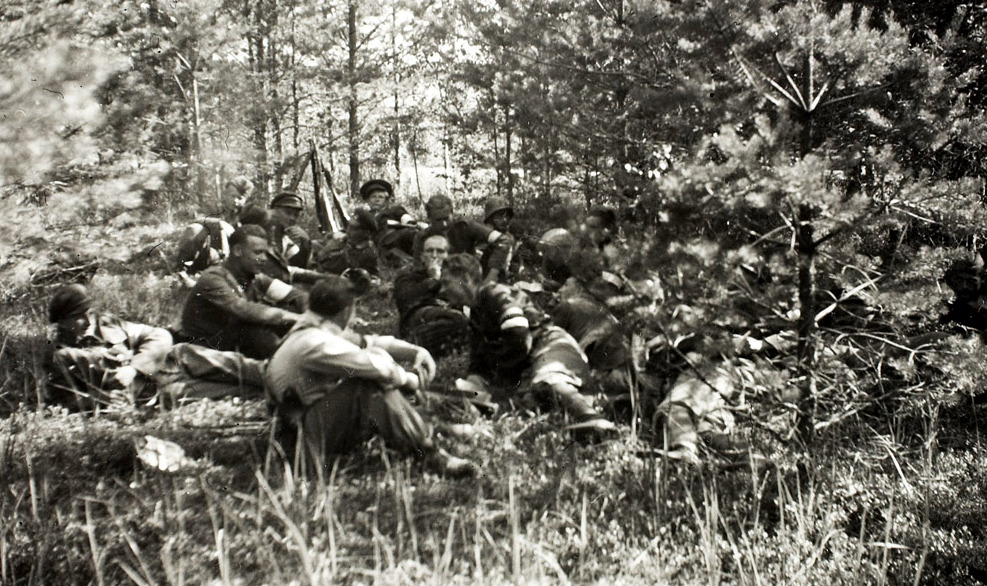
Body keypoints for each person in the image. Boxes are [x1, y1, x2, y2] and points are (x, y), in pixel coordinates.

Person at [265, 276, 477, 477]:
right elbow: (378, 367)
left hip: (306, 425)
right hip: (302, 440)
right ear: (346, 311)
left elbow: (368, 341)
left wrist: (414, 352)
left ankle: (431, 427)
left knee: (376, 381)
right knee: (366, 387)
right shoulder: (314, 341)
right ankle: (429, 454)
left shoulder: (312, 329)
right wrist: (409, 379)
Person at [439, 253, 615, 434]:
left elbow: (519, 336)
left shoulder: (492, 293)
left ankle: (592, 418)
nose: (442, 290)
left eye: (446, 282)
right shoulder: (476, 315)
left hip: (549, 344)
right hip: (531, 361)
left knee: (549, 381)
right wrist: (470, 388)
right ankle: (602, 407)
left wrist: (502, 377)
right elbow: (479, 365)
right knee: (528, 403)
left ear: (466, 278)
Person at [46, 284, 265, 411]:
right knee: (235, 390)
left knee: (232, 364)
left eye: (90, 313)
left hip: (170, 361)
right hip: (155, 391)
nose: (87, 321)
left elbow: (159, 335)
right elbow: (63, 399)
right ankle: (276, 389)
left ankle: (272, 372)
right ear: (62, 322)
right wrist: (102, 400)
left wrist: (134, 368)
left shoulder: (109, 324)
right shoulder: (61, 355)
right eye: (78, 317)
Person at [180, 225, 301, 359]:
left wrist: (310, 312)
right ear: (237, 251)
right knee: (255, 330)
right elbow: (244, 309)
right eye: (258, 252)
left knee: (290, 311)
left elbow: (294, 295)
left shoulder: (254, 277)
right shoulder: (213, 278)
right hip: (201, 351)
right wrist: (298, 318)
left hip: (228, 346)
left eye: (265, 253)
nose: (264, 258)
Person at [392, 232, 470, 358]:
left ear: (448, 256)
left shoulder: (457, 278)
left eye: (440, 251)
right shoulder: (408, 276)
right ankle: (416, 342)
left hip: (450, 317)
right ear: (422, 256)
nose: (434, 256)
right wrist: (434, 280)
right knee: (457, 319)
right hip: (420, 316)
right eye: (429, 251)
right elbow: (404, 299)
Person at [423, 195, 515, 283]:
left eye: (446, 218)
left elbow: (504, 240)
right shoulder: (422, 237)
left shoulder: (464, 226)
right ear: (429, 218)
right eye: (438, 220)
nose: (444, 224)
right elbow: (418, 270)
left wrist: (491, 278)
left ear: (452, 213)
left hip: (468, 282)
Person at [360, 179, 420, 262]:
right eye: (373, 196)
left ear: (386, 200)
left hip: (397, 237)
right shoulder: (363, 216)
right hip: (378, 244)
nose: (377, 199)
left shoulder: (393, 210)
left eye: (381, 197)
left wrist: (410, 222)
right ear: (368, 200)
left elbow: (404, 216)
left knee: (414, 236)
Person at [313, 209, 380, 276]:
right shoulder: (340, 240)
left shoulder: (368, 254)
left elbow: (372, 277)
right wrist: (329, 246)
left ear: (366, 233)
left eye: (354, 229)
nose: (348, 231)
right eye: (348, 226)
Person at [269, 191, 312, 268]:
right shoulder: (260, 230)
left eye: (296, 215)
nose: (292, 218)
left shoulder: (297, 237)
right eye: (288, 213)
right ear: (274, 211)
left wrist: (304, 241)